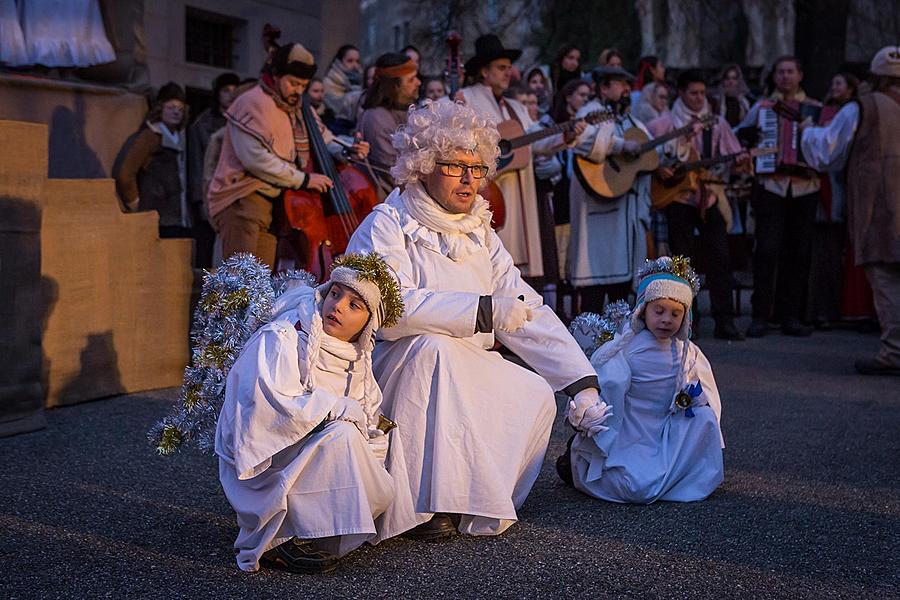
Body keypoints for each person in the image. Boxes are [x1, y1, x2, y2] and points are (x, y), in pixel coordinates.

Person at [346, 100, 603, 542]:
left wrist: (580, 383)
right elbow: (389, 308)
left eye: (478, 167)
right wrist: (483, 311)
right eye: (454, 166)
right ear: (423, 165)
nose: (469, 179)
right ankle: (426, 502)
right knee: (437, 351)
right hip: (401, 363)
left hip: (467, 359)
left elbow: (524, 306)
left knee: (535, 391)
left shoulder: (479, 230)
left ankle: (472, 496)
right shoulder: (388, 224)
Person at [216, 252, 402, 573]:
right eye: (335, 293)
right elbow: (267, 408)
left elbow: (369, 422)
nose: (338, 306)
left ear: (368, 324)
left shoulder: (358, 361)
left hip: (305, 450)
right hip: (268, 459)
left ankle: (319, 526)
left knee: (376, 473)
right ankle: (283, 538)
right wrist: (336, 408)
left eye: (354, 305)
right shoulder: (285, 335)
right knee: (341, 434)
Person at [560, 256, 724, 503]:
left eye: (675, 313)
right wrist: (589, 416)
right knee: (635, 485)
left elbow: (706, 391)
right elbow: (609, 384)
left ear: (686, 318)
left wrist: (694, 402)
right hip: (631, 429)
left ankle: (684, 470)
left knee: (704, 418)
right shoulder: (626, 349)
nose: (666, 319)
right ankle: (571, 465)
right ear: (642, 310)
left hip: (666, 427)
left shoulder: (687, 352)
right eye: (659, 311)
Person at [207, 42, 368, 269]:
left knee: (261, 285)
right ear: (277, 75)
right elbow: (256, 160)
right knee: (239, 282)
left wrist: (348, 149)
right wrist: (304, 179)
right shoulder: (252, 103)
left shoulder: (300, 107)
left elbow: (325, 139)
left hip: (275, 204)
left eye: (303, 85)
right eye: (293, 83)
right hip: (242, 198)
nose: (298, 91)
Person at [800, 46, 900, 376]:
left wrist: (806, 133)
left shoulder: (864, 107)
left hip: (883, 206)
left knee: (886, 277)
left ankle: (894, 352)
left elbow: (828, 151)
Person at [460, 34, 584, 280]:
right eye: (502, 68)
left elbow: (535, 139)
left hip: (521, 195)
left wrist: (565, 136)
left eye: (509, 67)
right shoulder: (466, 98)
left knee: (520, 271)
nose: (509, 73)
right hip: (491, 193)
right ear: (485, 71)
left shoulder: (515, 108)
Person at [647, 70, 749, 340]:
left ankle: (724, 319)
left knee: (720, 256)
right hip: (678, 198)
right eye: (693, 92)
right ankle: (687, 320)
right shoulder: (663, 124)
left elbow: (732, 154)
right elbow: (646, 157)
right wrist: (659, 169)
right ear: (680, 93)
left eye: (702, 93)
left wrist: (740, 161)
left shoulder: (716, 123)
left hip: (708, 195)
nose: (698, 98)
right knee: (681, 261)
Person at [736, 56, 823, 337]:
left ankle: (791, 315)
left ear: (800, 75)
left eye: (790, 71)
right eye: (780, 72)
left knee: (798, 253)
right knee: (767, 250)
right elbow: (738, 136)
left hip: (805, 187)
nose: (785, 77)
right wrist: (748, 138)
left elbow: (825, 148)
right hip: (770, 186)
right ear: (774, 77)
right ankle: (761, 314)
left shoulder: (815, 110)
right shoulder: (762, 108)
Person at [568, 66, 652, 313]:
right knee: (595, 284)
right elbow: (581, 141)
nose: (626, 90)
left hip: (624, 212)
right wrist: (620, 145)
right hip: (597, 210)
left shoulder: (629, 119)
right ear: (604, 87)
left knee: (621, 287)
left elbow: (649, 149)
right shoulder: (589, 113)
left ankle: (619, 342)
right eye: (620, 84)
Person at [806, 72, 859, 330]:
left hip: (838, 184)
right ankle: (817, 308)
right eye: (833, 82)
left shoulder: (852, 112)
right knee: (822, 249)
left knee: (834, 250)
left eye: (840, 83)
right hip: (822, 185)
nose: (834, 87)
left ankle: (833, 308)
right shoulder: (823, 110)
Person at [116, 82, 192, 238]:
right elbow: (126, 174)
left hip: (177, 218)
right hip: (157, 219)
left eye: (180, 108)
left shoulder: (181, 139)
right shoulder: (150, 136)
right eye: (170, 107)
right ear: (160, 109)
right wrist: (136, 204)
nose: (176, 112)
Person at [188, 72, 239, 267]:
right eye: (226, 91)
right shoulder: (203, 125)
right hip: (210, 189)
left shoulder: (242, 120)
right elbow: (197, 163)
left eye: (235, 91)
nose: (230, 95)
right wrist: (199, 199)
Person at [358, 52, 421, 197]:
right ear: (394, 86)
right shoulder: (376, 118)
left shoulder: (407, 110)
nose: (418, 83)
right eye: (411, 80)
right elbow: (393, 172)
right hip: (391, 201)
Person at [322, 44, 363, 133]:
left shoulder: (361, 82)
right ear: (339, 62)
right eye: (350, 61)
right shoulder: (329, 83)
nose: (355, 65)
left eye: (357, 61)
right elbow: (337, 107)